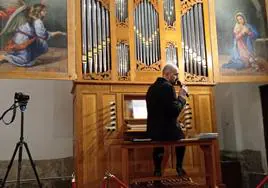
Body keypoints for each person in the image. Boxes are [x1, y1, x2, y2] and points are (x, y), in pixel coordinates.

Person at [146, 64, 187, 177]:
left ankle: (158, 171)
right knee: (182, 138)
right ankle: (179, 167)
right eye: (175, 75)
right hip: (167, 131)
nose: (177, 78)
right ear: (167, 74)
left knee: (158, 143)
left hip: (153, 131)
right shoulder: (168, 87)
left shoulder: (151, 88)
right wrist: (182, 97)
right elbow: (174, 111)